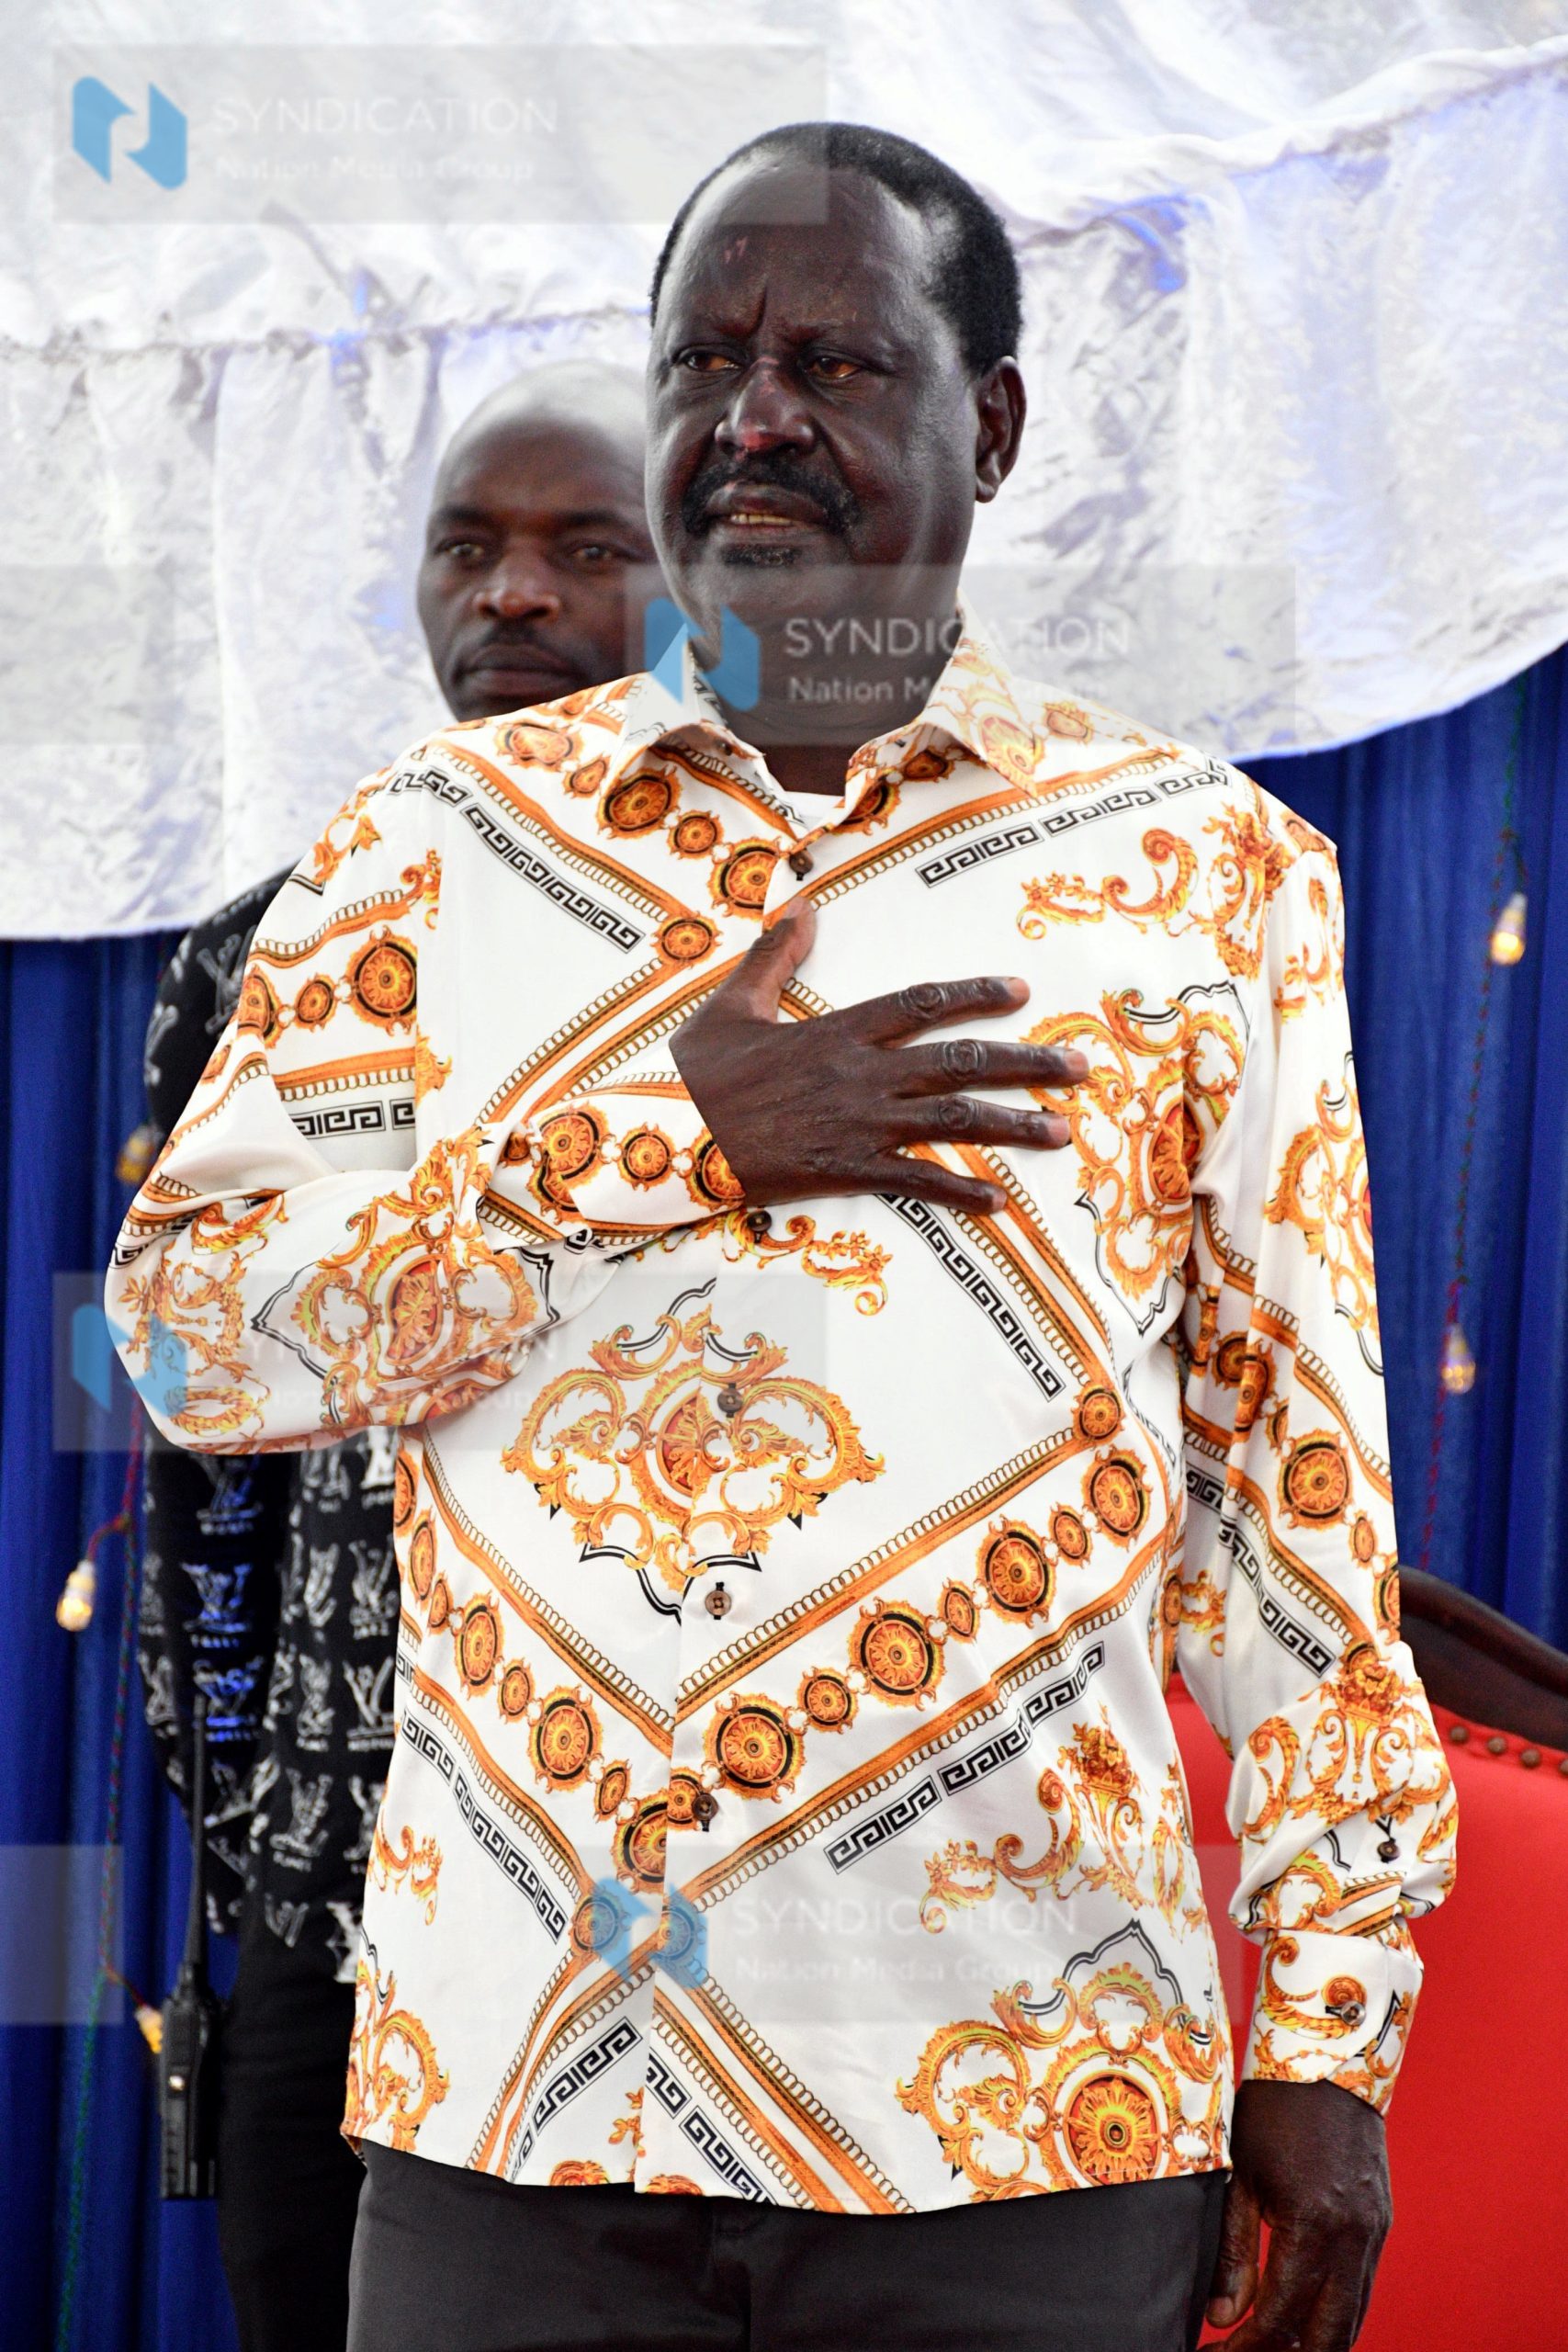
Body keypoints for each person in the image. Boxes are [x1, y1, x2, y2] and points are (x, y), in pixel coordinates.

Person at [110, 126, 1456, 2352]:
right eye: (703, 359)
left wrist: (1325, 2032)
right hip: (515, 2101)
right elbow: (183, 1346)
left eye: (829, 361)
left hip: (1020, 2118)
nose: (750, 417)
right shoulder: (422, 853)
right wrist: (649, 1141)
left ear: (988, 425)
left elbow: (1292, 1509)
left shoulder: (1210, 880)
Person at [132, 358, 659, 2352]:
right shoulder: (272, 950)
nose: (511, 595)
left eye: (580, 549)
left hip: (660, 1887)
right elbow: (203, 1467)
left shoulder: (777, 950)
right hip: (337, 1869)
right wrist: (254, 1824)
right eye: (470, 547)